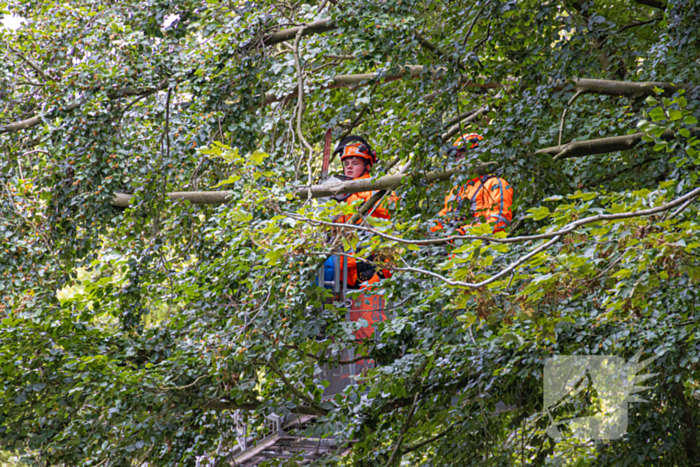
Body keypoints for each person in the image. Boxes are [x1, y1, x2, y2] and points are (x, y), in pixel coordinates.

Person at [322, 135, 393, 289]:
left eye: (355, 163)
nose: (349, 167)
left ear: (367, 166)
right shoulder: (340, 192)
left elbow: (387, 209)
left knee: (368, 307)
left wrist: (359, 194)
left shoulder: (377, 187)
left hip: (371, 263)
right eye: (346, 163)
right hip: (345, 266)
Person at [431, 132, 513, 235]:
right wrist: (423, 231)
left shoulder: (495, 184)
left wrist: (464, 232)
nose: (458, 161)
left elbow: (499, 222)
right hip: (454, 248)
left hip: (484, 247)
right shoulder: (455, 191)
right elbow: (441, 220)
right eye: (457, 157)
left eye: (462, 155)